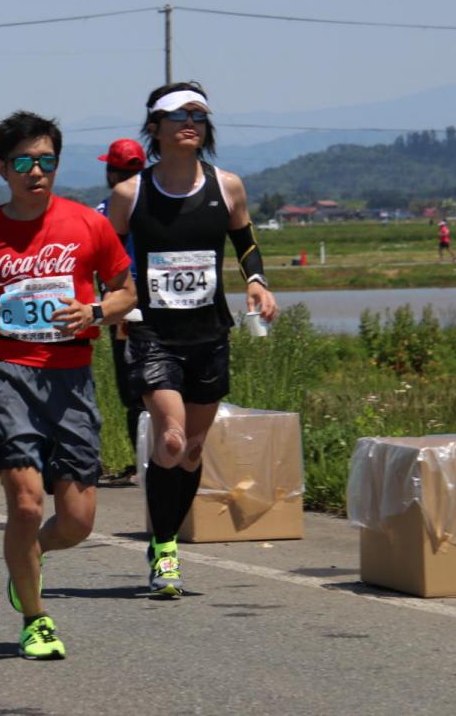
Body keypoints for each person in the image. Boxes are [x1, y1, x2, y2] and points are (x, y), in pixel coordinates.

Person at [0, 111, 136, 660]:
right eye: (24, 161)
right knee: (24, 504)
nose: (37, 171)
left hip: (71, 379)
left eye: (47, 160)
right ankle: (35, 616)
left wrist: (94, 308)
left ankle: (30, 558)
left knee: (77, 521)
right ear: (3, 167)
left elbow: (126, 290)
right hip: (9, 378)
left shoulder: (87, 225)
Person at [107, 81, 277, 597]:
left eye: (200, 116)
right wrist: (116, 300)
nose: (191, 123)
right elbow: (108, 259)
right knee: (172, 438)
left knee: (193, 449)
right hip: (151, 332)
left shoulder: (227, 186)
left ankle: (167, 537)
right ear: (154, 128)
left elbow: (244, 240)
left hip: (208, 332)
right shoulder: (130, 193)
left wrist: (256, 281)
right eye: (179, 115)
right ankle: (164, 549)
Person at [94, 138, 145, 485]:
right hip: (161, 305)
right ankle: (147, 463)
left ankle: (142, 464)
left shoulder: (104, 209)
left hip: (122, 306)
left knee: (133, 390)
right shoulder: (162, 202)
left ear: (112, 171)